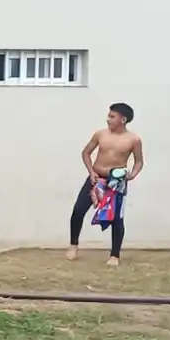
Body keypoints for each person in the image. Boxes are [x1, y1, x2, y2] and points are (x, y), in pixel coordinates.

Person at [67, 102, 144, 266]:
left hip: (116, 181)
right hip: (96, 177)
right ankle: (73, 245)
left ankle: (114, 255)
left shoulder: (134, 139)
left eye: (112, 116)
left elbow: (139, 162)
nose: (108, 119)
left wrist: (132, 175)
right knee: (78, 210)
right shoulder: (100, 134)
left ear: (123, 119)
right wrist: (91, 172)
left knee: (117, 219)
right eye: (109, 116)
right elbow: (86, 153)